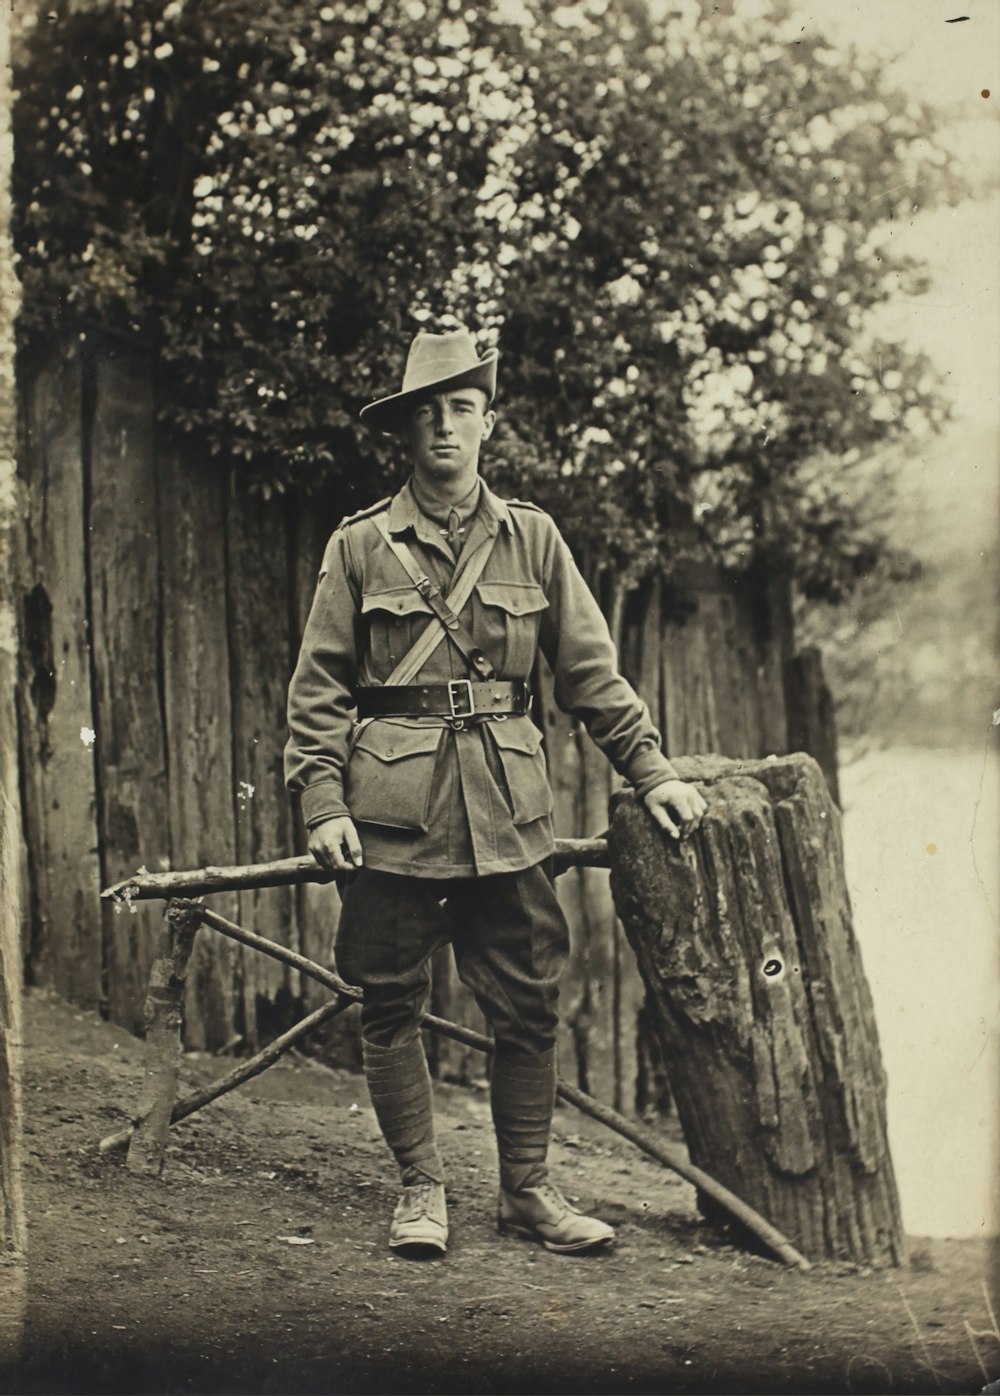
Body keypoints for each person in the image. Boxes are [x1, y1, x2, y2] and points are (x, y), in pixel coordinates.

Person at [284, 327, 707, 1259]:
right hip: (391, 819)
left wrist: (655, 771)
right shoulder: (359, 546)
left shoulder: (535, 538)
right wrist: (322, 803)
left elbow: (591, 675)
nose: (444, 427)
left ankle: (527, 1191)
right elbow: (317, 692)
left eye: (461, 408)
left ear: (487, 423)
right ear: (406, 430)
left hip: (509, 820)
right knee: (389, 1002)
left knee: (527, 1004)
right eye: (427, 412)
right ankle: (420, 1191)